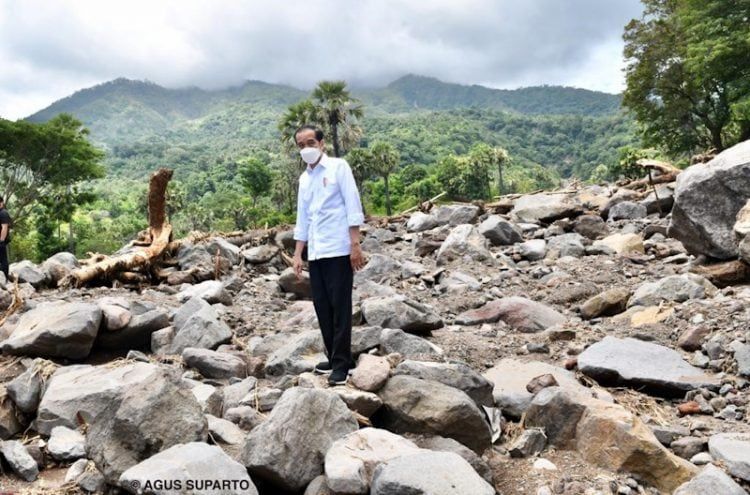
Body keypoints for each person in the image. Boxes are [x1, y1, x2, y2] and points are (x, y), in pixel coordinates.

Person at [292, 125, 366, 386]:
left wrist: (354, 245)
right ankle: (334, 356)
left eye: (310, 142)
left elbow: (352, 204)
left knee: (340, 306)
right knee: (322, 306)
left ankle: (342, 365)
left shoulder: (338, 167)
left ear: (321, 143)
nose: (306, 148)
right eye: (301, 145)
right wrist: (298, 253)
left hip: (338, 248)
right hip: (317, 251)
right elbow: (303, 218)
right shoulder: (304, 179)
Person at [0, 196, 11, 280]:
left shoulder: (3, 213)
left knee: (3, 260)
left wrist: (2, 240)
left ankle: (5, 278)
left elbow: (4, 227)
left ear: (2, 203)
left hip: (1, 240)